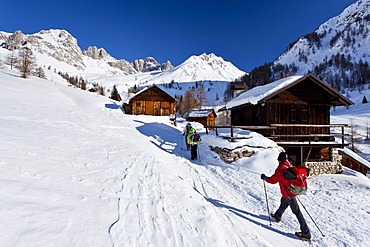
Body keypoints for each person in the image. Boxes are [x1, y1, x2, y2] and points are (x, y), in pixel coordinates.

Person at [261, 152, 311, 242]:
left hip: (289, 194)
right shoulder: (289, 166)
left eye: (278, 159)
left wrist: (265, 178)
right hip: (288, 193)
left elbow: (273, 180)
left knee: (297, 212)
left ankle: (306, 233)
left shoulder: (280, 169)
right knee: (283, 203)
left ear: (280, 160)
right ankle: (277, 216)